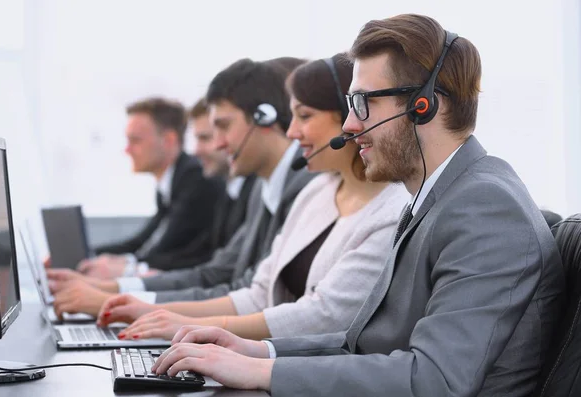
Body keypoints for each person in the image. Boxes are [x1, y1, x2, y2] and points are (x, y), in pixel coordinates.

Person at [150, 14, 565, 396]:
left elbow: (434, 379)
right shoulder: (440, 195)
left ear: (425, 105)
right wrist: (258, 351)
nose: (349, 125)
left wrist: (262, 375)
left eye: (363, 103)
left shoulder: (484, 207)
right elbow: (362, 344)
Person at [95, 54, 408, 342]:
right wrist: (164, 316)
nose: (292, 131)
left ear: (348, 116)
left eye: (305, 116)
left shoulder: (391, 208)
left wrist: (197, 327)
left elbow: (324, 316)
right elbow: (257, 292)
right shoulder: (316, 192)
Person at [47, 58, 314, 318]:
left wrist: (119, 301)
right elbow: (215, 274)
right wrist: (113, 290)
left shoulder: (302, 188)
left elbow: (253, 298)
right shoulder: (263, 189)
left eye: (222, 126)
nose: (217, 144)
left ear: (264, 117)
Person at [46, 97, 225, 280]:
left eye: (135, 140)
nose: (127, 150)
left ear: (169, 140)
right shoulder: (172, 181)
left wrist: (124, 267)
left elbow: (164, 251)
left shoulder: (197, 180)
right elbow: (142, 242)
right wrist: (88, 256)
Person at [140, 98, 258, 271]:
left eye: (205, 138)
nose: (196, 151)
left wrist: (137, 274)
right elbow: (208, 258)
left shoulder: (250, 190)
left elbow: (221, 269)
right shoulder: (230, 191)